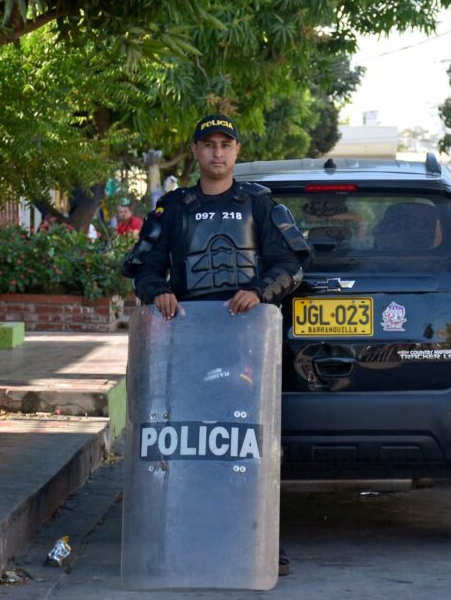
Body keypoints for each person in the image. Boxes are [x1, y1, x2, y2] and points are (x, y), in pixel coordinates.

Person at [122, 113, 312, 576]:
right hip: (185, 346)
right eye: (208, 144)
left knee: (248, 445)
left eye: (226, 144)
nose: (217, 152)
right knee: (190, 441)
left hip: (246, 345)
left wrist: (260, 291)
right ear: (195, 152)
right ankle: (182, 533)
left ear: (237, 151)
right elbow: (142, 268)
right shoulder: (174, 206)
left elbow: (292, 265)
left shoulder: (261, 204)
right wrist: (157, 290)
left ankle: (258, 538)